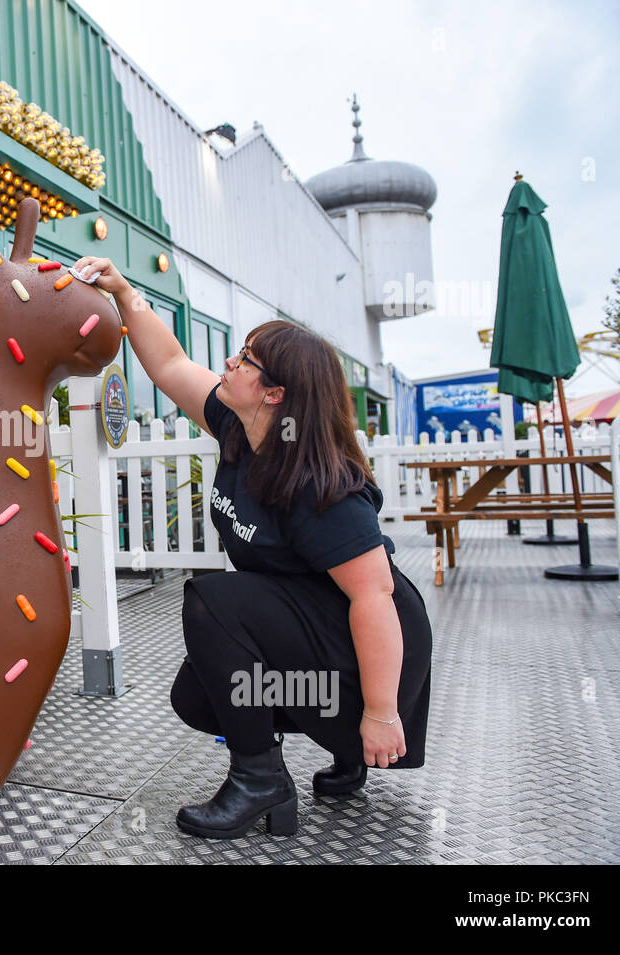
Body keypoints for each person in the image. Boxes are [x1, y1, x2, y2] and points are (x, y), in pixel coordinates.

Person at [70, 256, 433, 840]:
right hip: (320, 627)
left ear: (275, 393)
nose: (229, 364)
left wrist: (381, 712)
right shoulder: (239, 428)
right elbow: (168, 364)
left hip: (374, 638)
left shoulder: (320, 484)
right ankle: (336, 744)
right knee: (199, 697)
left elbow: (376, 598)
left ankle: (262, 777)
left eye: (245, 361)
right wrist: (122, 291)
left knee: (214, 601)